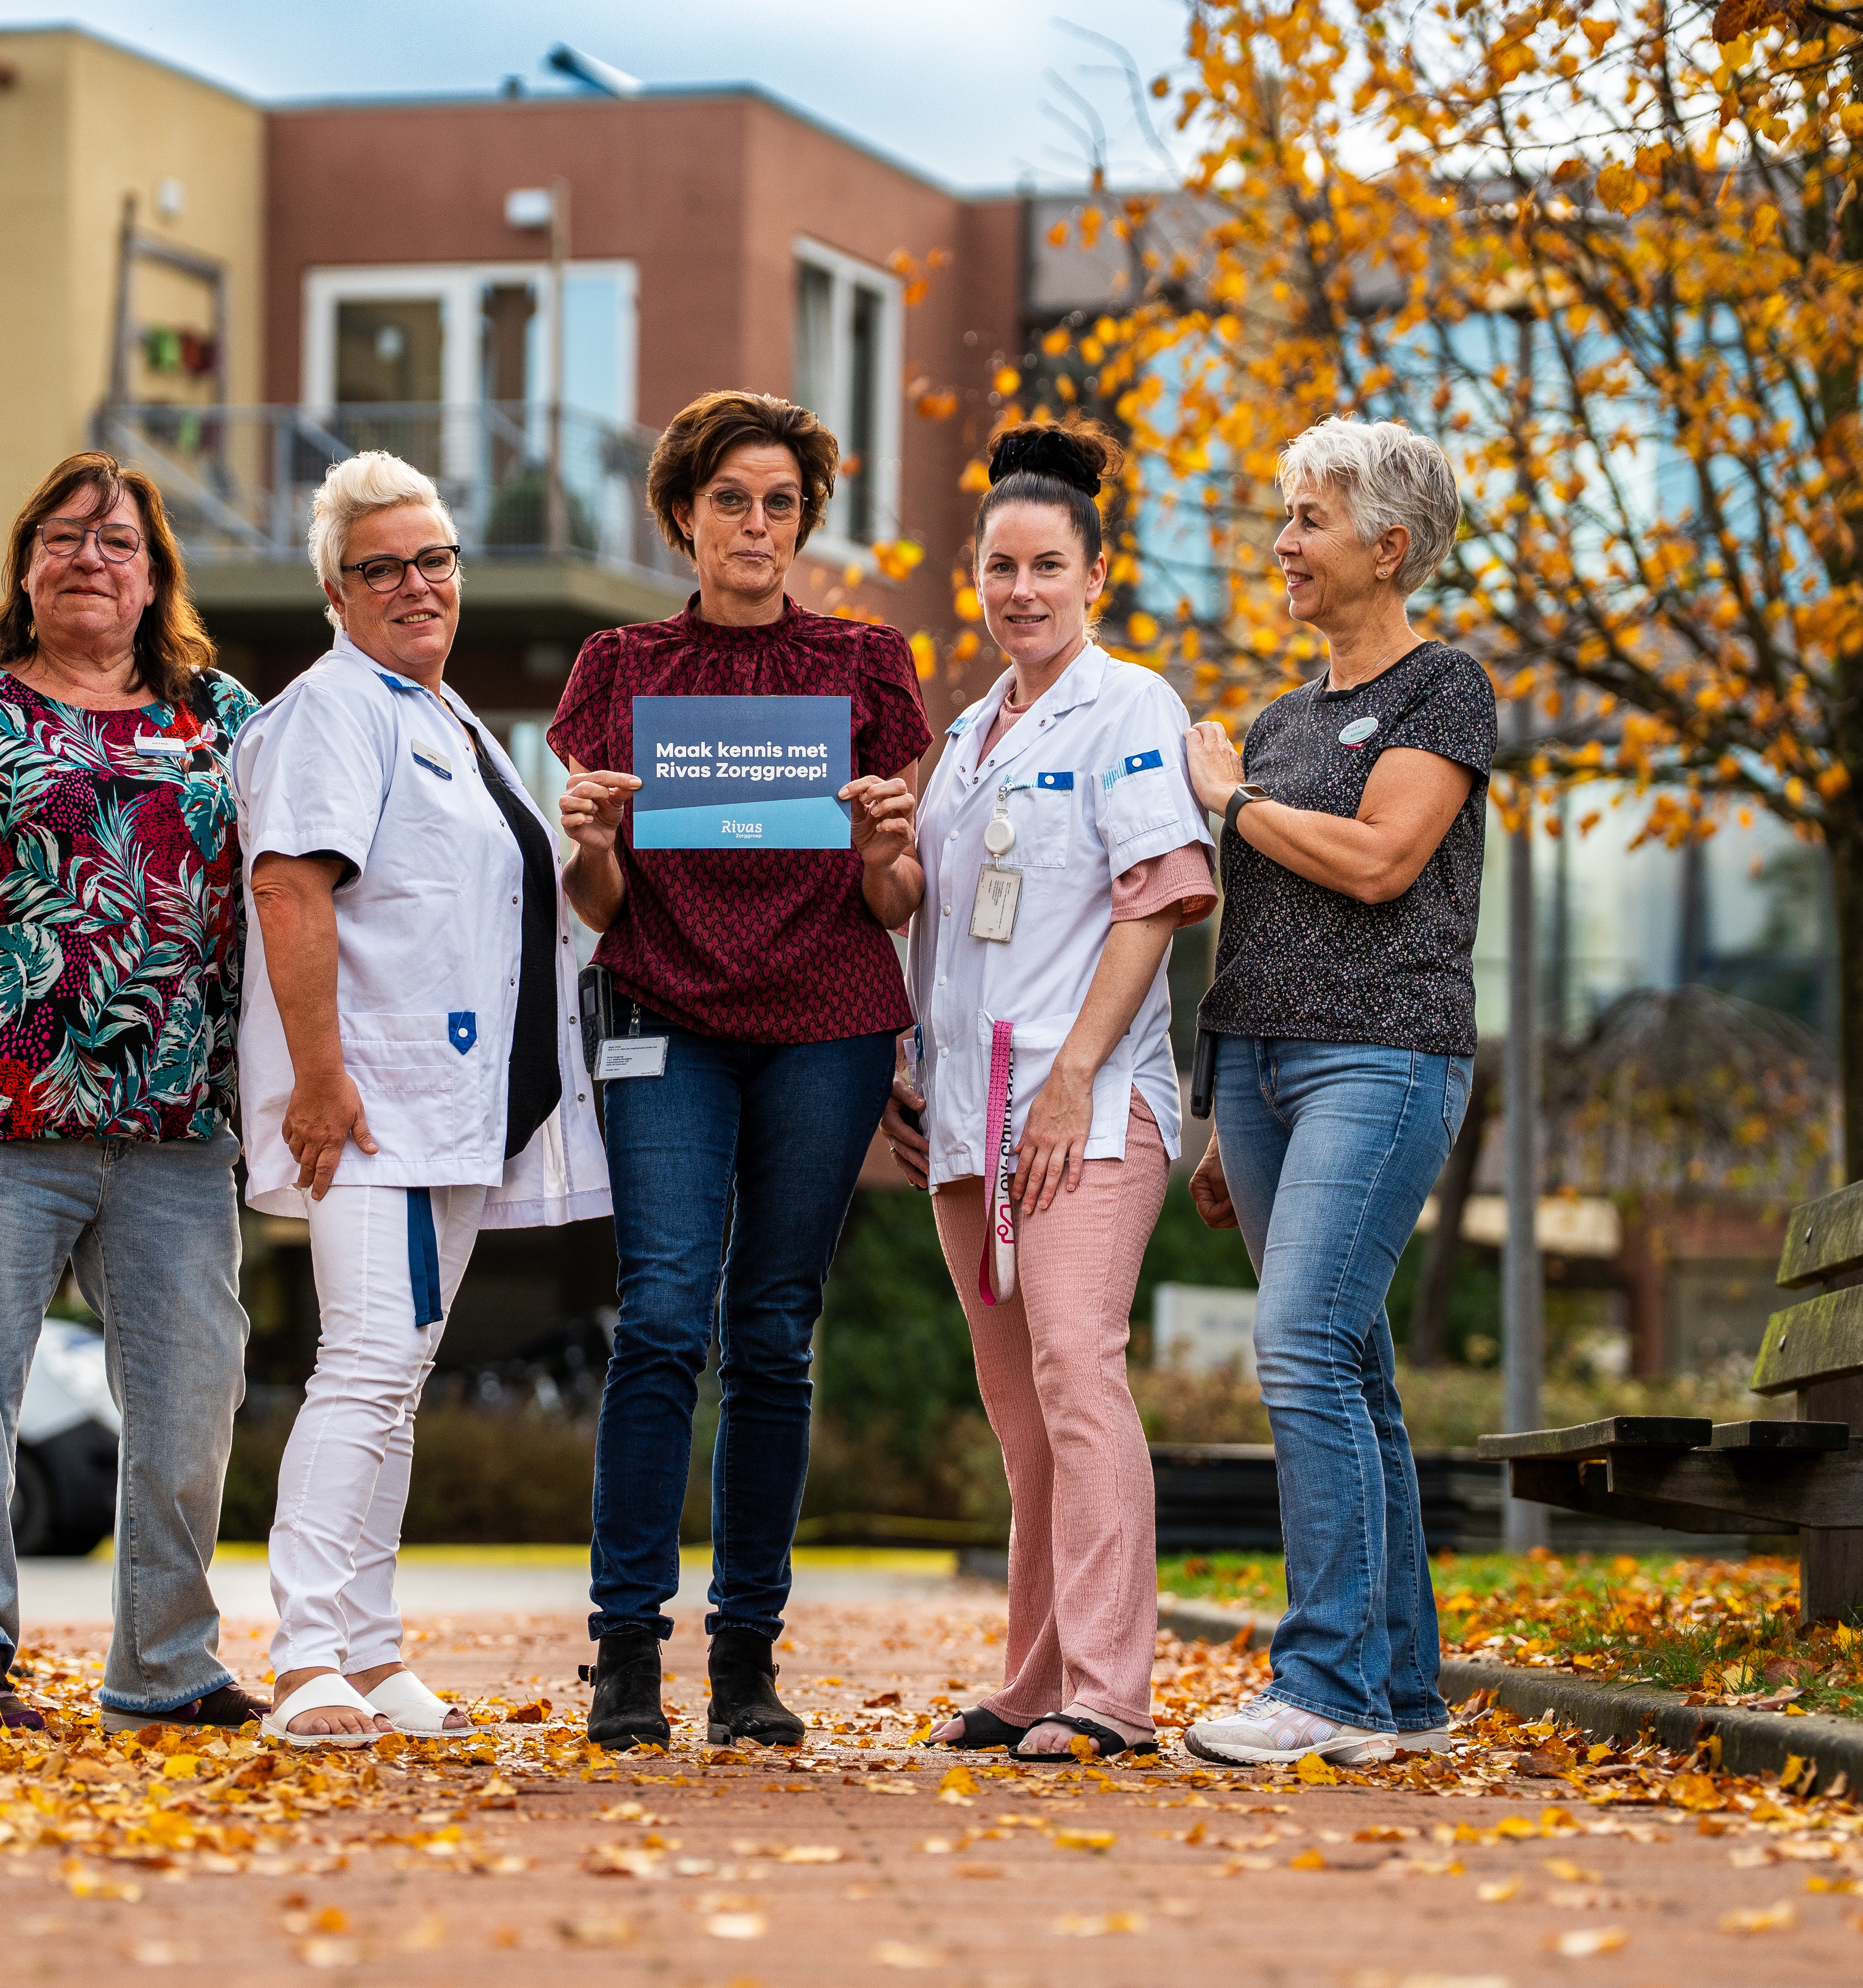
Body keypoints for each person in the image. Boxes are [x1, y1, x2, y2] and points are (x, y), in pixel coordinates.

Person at [0, 451, 265, 1734]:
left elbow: (298, 889)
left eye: (118, 541)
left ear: (156, 578)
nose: (91, 558)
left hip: (177, 1131)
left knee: (192, 1408)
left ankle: (166, 1668)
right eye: (65, 538)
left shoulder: (226, 719)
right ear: (26, 569)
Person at [551, 390, 927, 1750]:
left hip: (828, 1024)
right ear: (682, 515)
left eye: (780, 502)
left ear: (805, 521)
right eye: (730, 500)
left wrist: (888, 850)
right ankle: (626, 1655)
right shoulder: (621, 667)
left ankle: (748, 1661)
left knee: (772, 1331)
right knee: (662, 1316)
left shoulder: (867, 666)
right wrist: (593, 841)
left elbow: (895, 901)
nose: (756, 525)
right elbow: (599, 904)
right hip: (664, 1013)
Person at [233, 453, 611, 1746]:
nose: (416, 585)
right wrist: (320, 1078)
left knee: (398, 1378)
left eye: (434, 560)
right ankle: (306, 1658)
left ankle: (371, 1650)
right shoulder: (334, 711)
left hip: (448, 1114)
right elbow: (289, 887)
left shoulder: (449, 721)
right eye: (382, 567)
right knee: (366, 1367)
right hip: (373, 1108)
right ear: (336, 594)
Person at [882, 423, 1215, 1765]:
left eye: (1047, 567)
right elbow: (942, 926)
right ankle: (1033, 1683)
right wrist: (907, 1064)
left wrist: (1074, 1078)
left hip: (1085, 1106)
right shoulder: (967, 734)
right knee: (1023, 1417)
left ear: (1097, 576)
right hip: (968, 1115)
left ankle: (1111, 1695)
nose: (1021, 591)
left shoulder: (1129, 706)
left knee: (1079, 1370)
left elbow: (1161, 900)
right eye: (1000, 568)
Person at [1175, 417, 1494, 1767]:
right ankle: (1401, 1698)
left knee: (1300, 1345)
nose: (1283, 545)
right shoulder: (1283, 719)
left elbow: (1380, 862)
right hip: (1259, 1069)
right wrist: (1216, 1112)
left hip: (1384, 1053)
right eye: (1287, 518)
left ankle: (1325, 1687)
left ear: (1391, 545)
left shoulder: (1444, 690)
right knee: (1350, 1364)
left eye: (1309, 519)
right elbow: (1248, 923)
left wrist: (1233, 803)